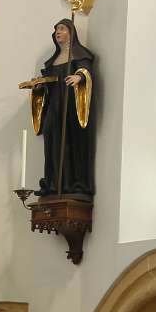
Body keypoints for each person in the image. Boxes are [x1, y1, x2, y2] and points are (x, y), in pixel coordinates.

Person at [25, 18, 97, 198]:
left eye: (62, 28)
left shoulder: (80, 54)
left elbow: (86, 70)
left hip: (71, 106)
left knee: (72, 141)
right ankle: (54, 182)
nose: (58, 32)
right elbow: (48, 84)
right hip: (55, 105)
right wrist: (39, 86)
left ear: (71, 33)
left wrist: (79, 77)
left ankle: (74, 183)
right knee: (51, 137)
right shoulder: (53, 61)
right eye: (56, 29)